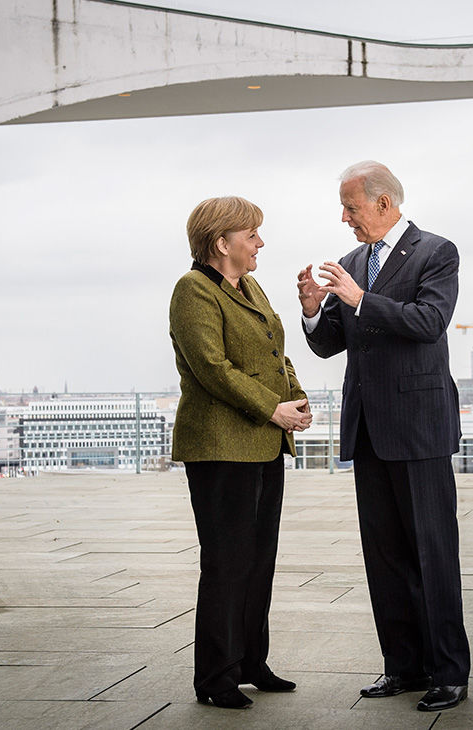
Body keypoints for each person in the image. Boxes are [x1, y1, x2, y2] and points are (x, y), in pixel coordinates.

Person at [297, 161, 471, 712]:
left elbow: (428, 322)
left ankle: (448, 672)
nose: (344, 217)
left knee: (433, 553)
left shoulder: (435, 252)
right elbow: (329, 344)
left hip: (419, 428)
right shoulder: (351, 264)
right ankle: (403, 667)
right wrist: (310, 310)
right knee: (386, 555)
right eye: (344, 207)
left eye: (351, 207)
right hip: (369, 429)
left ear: (384, 204)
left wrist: (357, 299)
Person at [169, 195, 313, 709]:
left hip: (262, 445)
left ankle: (252, 661)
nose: (260, 243)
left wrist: (294, 399)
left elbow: (276, 352)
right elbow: (212, 367)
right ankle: (215, 679)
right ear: (221, 242)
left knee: (258, 561)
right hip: (220, 448)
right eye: (251, 234)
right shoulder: (193, 290)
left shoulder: (248, 285)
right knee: (227, 563)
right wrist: (273, 409)